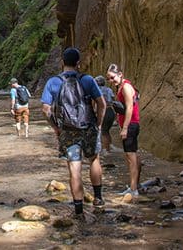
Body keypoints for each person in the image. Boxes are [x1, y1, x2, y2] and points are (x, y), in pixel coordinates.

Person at [41, 47, 106, 214]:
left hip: (68, 131)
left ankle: (78, 209)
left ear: (62, 62)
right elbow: (102, 103)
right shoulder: (88, 80)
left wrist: (56, 128)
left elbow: (46, 109)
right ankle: (98, 198)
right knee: (93, 159)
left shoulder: (53, 82)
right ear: (78, 63)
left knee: (74, 167)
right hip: (88, 126)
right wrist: (98, 124)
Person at [106, 64, 141, 198]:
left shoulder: (126, 87)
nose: (111, 81)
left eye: (112, 77)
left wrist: (125, 128)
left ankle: (133, 189)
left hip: (131, 125)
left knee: (130, 157)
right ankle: (135, 185)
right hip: (132, 124)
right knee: (134, 156)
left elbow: (130, 108)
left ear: (120, 74)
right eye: (109, 79)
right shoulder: (122, 86)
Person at [94, 76, 116, 152]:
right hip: (111, 111)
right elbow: (113, 100)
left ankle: (106, 150)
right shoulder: (109, 90)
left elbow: (94, 102)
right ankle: (110, 146)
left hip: (103, 111)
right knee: (107, 130)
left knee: (103, 131)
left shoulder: (96, 90)